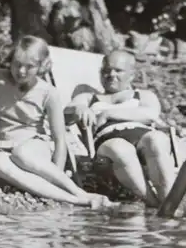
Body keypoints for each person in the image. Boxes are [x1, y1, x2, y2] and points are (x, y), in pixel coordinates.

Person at [0, 35, 117, 208]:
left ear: (41, 66)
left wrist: (57, 172)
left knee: (22, 153)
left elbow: (60, 139)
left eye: (29, 67)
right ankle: (75, 200)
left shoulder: (48, 92)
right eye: (17, 64)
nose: (21, 71)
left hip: (32, 144)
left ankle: (78, 192)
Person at [64, 50, 177, 207]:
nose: (111, 74)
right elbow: (67, 112)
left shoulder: (143, 95)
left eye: (118, 70)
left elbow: (151, 114)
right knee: (120, 147)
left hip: (143, 136)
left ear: (131, 74)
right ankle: (154, 203)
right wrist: (78, 109)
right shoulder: (89, 97)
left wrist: (109, 114)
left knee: (156, 140)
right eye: (106, 70)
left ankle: (170, 202)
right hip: (108, 141)